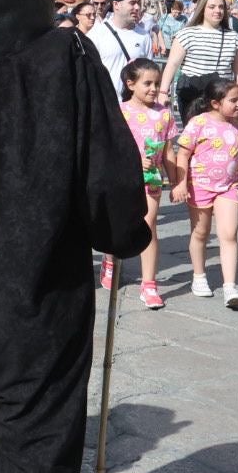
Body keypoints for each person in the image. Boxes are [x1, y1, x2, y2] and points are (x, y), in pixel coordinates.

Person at [174, 75, 238, 309]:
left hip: (229, 187)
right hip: (199, 186)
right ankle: (199, 276)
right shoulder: (199, 123)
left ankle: (230, 287)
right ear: (215, 103)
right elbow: (183, 153)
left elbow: (237, 157)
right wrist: (181, 183)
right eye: (233, 100)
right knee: (200, 233)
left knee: (229, 235)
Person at [103, 58, 174, 310]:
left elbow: (168, 152)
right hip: (121, 178)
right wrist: (132, 161)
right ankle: (110, 262)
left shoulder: (164, 114)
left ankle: (149, 283)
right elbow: (109, 147)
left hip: (152, 179)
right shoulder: (119, 112)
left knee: (148, 225)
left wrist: (176, 181)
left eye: (157, 83)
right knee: (118, 224)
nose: (154, 88)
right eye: (148, 83)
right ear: (130, 84)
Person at [160, 0, 238, 120]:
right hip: (193, 97)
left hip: (223, 98)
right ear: (202, 8)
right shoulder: (186, 34)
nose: (218, 10)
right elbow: (172, 65)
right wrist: (163, 92)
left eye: (221, 7)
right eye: (212, 7)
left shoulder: (234, 38)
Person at [86, 0, 154, 87]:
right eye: (132, 3)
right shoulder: (96, 34)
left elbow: (149, 73)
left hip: (133, 102)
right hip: (107, 101)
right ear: (116, 5)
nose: (137, 7)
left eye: (138, 3)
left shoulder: (144, 36)